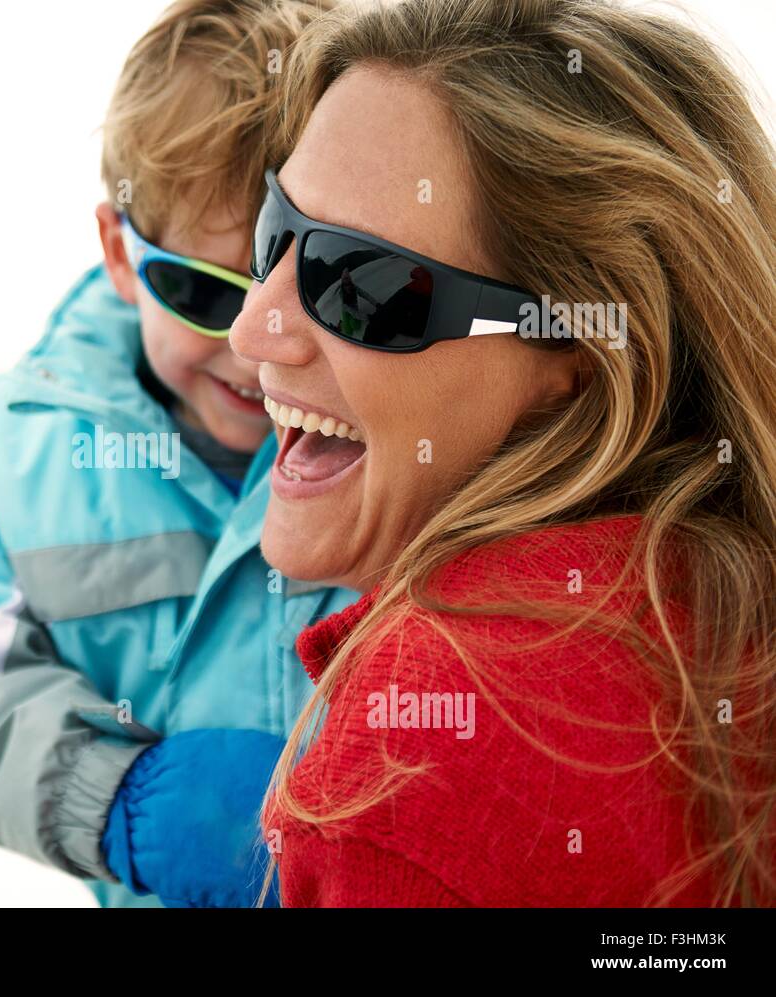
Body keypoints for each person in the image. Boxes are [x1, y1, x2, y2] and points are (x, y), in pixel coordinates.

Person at [229, 0, 776, 906]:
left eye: (360, 284)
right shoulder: (717, 602)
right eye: (273, 233)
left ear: (585, 350)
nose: (253, 327)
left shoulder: (415, 765)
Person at [0, 0, 354, 908]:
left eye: (317, 293)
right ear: (123, 254)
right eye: (200, 292)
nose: (257, 345)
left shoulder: (406, 436)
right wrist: (119, 797)